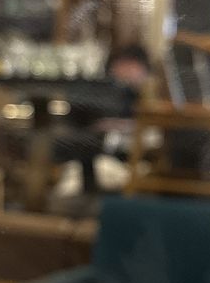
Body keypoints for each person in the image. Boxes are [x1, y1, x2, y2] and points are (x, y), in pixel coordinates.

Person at [53, 42, 152, 195]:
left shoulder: (141, 95)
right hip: (100, 151)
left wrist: (120, 125)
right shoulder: (107, 90)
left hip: (122, 158)